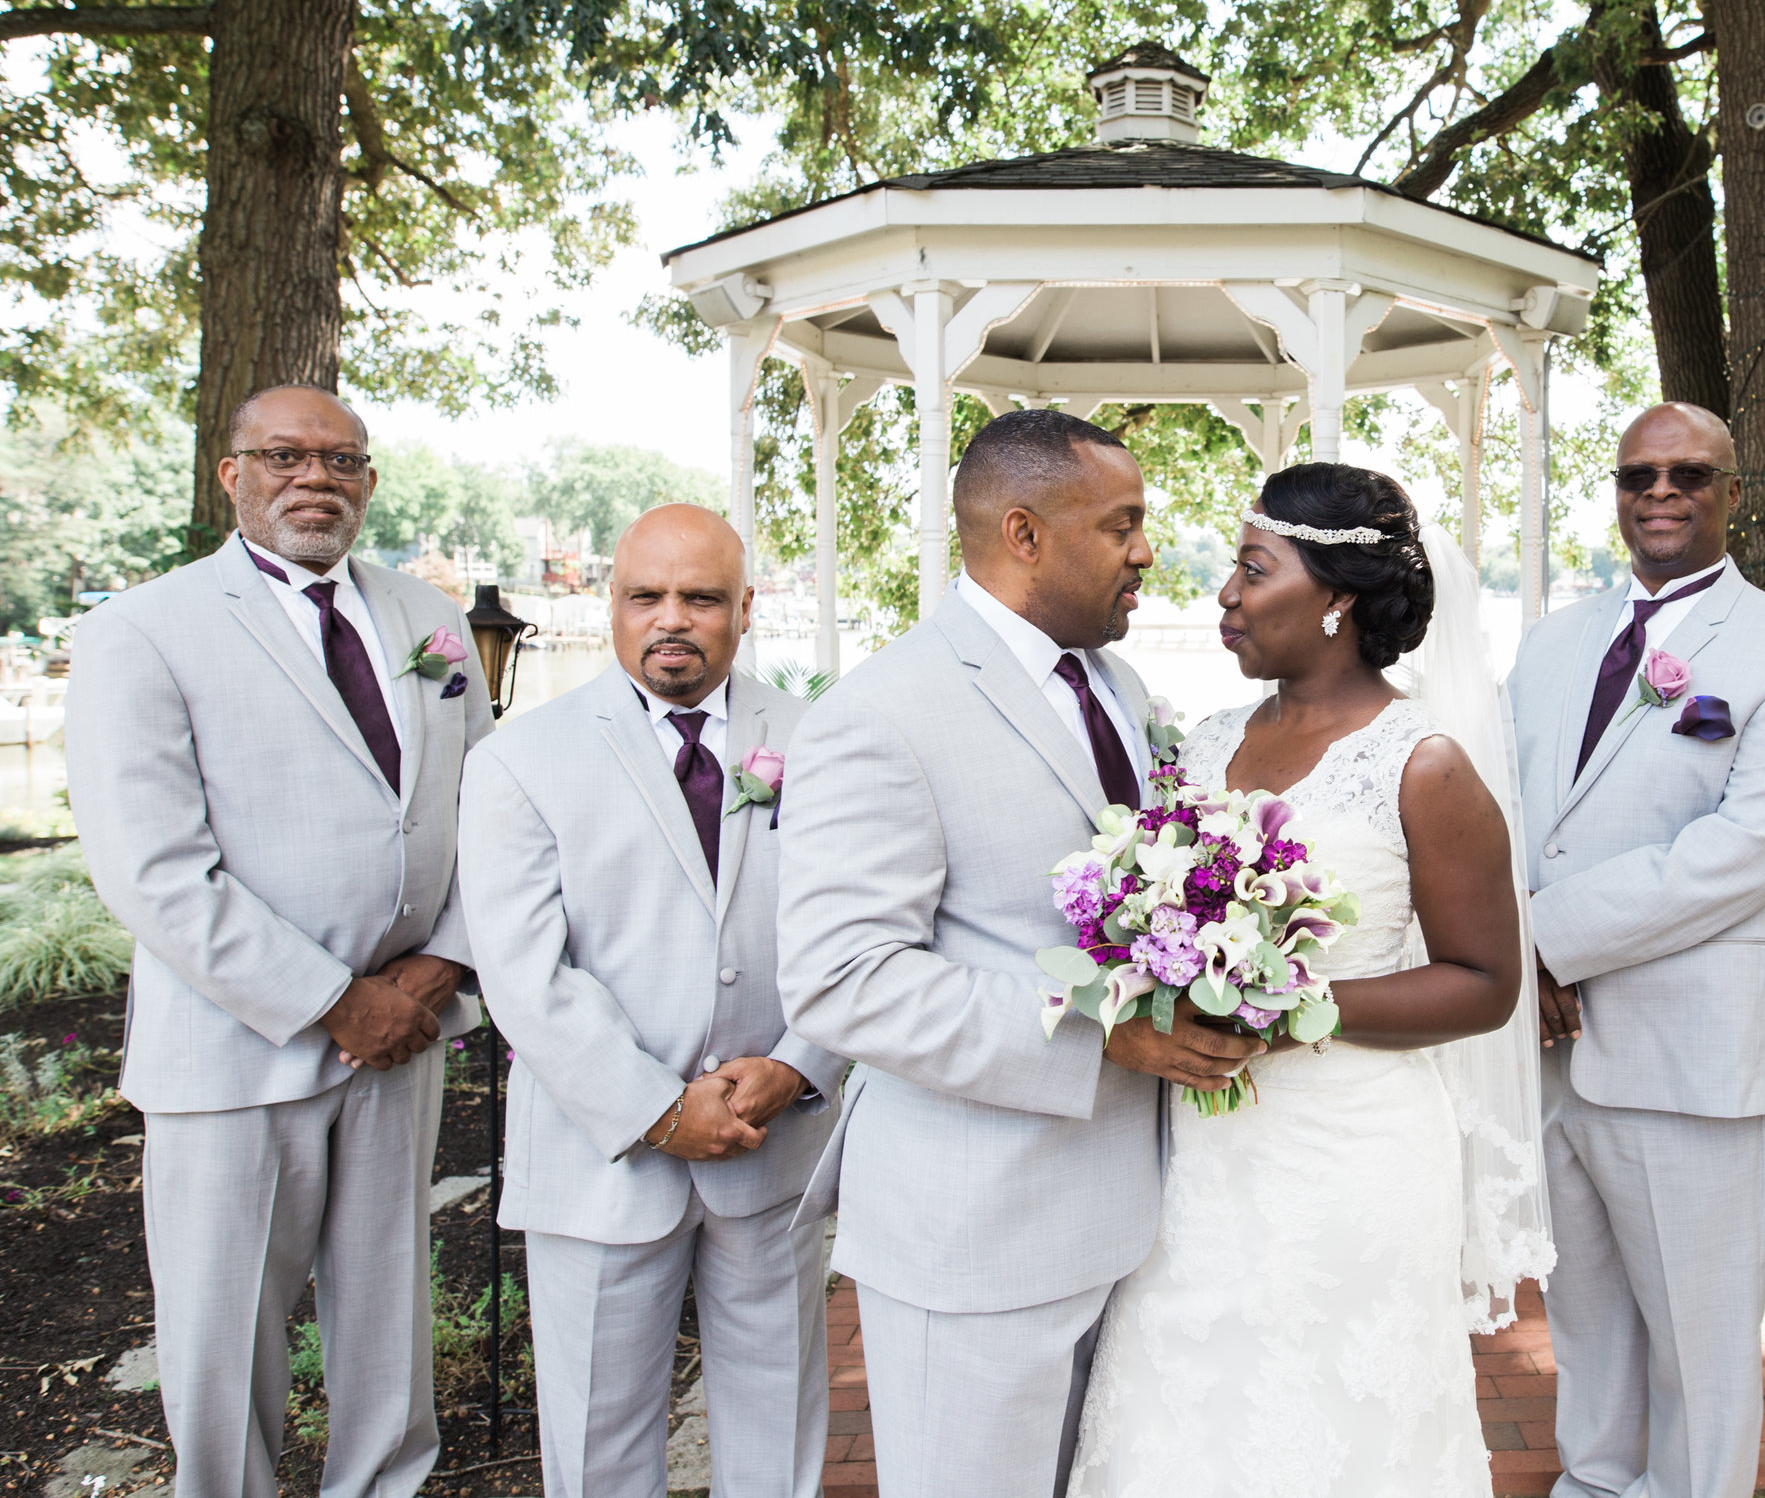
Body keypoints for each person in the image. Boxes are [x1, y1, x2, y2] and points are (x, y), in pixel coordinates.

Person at [776, 409, 1266, 1498]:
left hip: (1128, 1218)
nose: (1147, 548)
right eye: (1122, 523)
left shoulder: (1120, 691)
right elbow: (842, 975)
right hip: (975, 1236)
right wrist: (1106, 1038)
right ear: (1024, 532)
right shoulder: (883, 712)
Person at [1067, 462, 1541, 1498]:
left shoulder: (1423, 764)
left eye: (1250, 567)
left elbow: (1486, 982)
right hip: (1199, 1156)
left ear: (1335, 597)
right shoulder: (1204, 744)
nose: (1223, 594)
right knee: (1185, 1403)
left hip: (1352, 1153)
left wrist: (1291, 1010)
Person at [68, 384, 494, 1498]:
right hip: (233, 1048)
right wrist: (331, 997)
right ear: (233, 474)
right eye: (286, 455)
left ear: (367, 480)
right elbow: (152, 866)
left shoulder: (428, 620)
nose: (317, 478)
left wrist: (439, 965)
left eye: (342, 460)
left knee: (389, 1330)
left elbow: (487, 808)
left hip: (404, 1035)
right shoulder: (141, 629)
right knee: (223, 1345)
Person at [1511, 402, 1765, 1498]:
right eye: (1637, 476)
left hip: (1694, 1052)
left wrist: (1543, 940)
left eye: (1688, 475)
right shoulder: (1554, 639)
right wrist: (1515, 952)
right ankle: (1595, 1479)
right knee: (1584, 1308)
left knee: (1699, 1338)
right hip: (1552, 1048)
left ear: (1732, 494)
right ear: (1615, 492)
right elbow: (1505, 809)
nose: (1660, 493)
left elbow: (1743, 852)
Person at [458, 505, 844, 1498]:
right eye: (646, 595)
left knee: (779, 1428)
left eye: (701, 596)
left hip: (774, 1141)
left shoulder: (823, 741)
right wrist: (662, 1110)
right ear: (612, 604)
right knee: (598, 1446)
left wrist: (800, 1060)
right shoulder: (519, 758)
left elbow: (858, 928)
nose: (671, 617)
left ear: (745, 607)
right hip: (603, 1155)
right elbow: (524, 973)